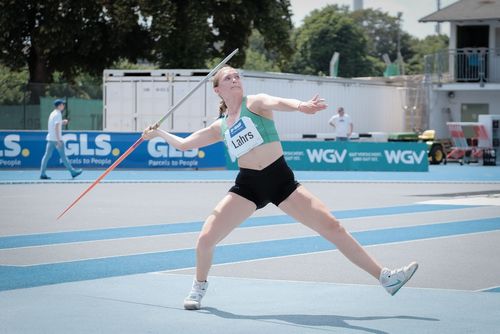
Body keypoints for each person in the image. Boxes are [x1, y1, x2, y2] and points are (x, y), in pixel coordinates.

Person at [142, 66, 418, 310]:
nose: (236, 79)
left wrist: (301, 106)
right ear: (218, 90)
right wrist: (158, 133)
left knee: (333, 227)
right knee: (205, 239)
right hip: (248, 185)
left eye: (238, 75)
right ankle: (199, 287)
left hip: (280, 180)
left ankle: (386, 278)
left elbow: (280, 101)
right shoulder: (221, 126)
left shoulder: (256, 102)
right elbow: (184, 144)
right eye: (229, 77)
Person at [39, 99, 82, 180]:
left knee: (46, 156)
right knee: (63, 157)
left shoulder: (53, 113)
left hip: (50, 138)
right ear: (59, 106)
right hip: (56, 139)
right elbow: (56, 127)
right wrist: (58, 140)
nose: (64, 106)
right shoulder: (58, 114)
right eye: (62, 104)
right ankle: (73, 172)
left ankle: (42, 173)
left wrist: (62, 122)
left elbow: (56, 124)